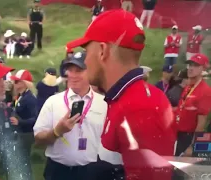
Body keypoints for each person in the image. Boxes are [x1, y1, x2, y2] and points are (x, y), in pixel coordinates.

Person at [66, 9, 176, 180]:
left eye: (87, 52)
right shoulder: (125, 98)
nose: (85, 61)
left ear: (102, 51)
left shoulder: (138, 108)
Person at [34, 51, 123, 180]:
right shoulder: (53, 102)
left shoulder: (104, 103)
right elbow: (38, 140)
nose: (72, 75)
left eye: (79, 70)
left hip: (91, 172)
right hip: (58, 171)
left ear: (91, 72)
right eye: (70, 70)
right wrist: (57, 131)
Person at [173, 54, 211, 156]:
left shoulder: (205, 90)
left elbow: (201, 123)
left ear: (203, 68)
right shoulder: (189, 86)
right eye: (190, 65)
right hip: (178, 134)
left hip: (188, 138)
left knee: (181, 169)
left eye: (195, 65)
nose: (190, 68)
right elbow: (183, 108)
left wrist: (192, 146)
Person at [9, 69, 38, 179]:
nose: (14, 84)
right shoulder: (22, 96)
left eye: (16, 82)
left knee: (24, 159)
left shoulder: (30, 99)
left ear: (24, 83)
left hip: (26, 134)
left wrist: (20, 122)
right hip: (21, 132)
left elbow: (36, 119)